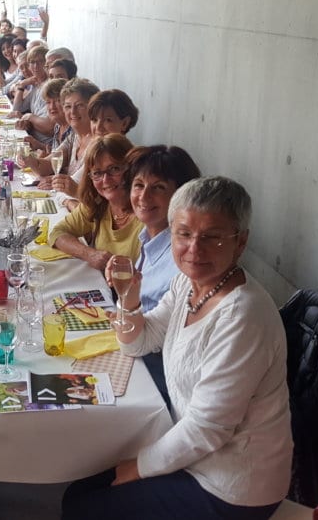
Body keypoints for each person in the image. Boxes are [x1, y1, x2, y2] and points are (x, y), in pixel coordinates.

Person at [62, 176, 292, 520]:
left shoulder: (242, 316)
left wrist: (137, 466)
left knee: (83, 506)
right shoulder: (188, 282)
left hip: (230, 485)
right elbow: (140, 343)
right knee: (78, 489)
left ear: (240, 242)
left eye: (212, 237)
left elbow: (208, 428)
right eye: (184, 234)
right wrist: (129, 298)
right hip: (195, 454)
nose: (194, 249)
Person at [107, 145, 201, 402]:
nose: (144, 196)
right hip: (135, 347)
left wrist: (126, 311)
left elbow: (160, 334)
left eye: (158, 187)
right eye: (138, 185)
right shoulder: (150, 238)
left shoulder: (184, 259)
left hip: (158, 376)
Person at [49, 133, 142, 270]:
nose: (105, 180)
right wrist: (88, 254)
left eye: (114, 169)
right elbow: (57, 233)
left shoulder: (146, 215)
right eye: (97, 173)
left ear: (132, 168)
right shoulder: (98, 204)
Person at [52, 77, 101, 206]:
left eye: (80, 106)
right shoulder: (74, 136)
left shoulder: (99, 145)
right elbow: (49, 162)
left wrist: (69, 200)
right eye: (68, 106)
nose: (72, 112)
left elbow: (71, 188)